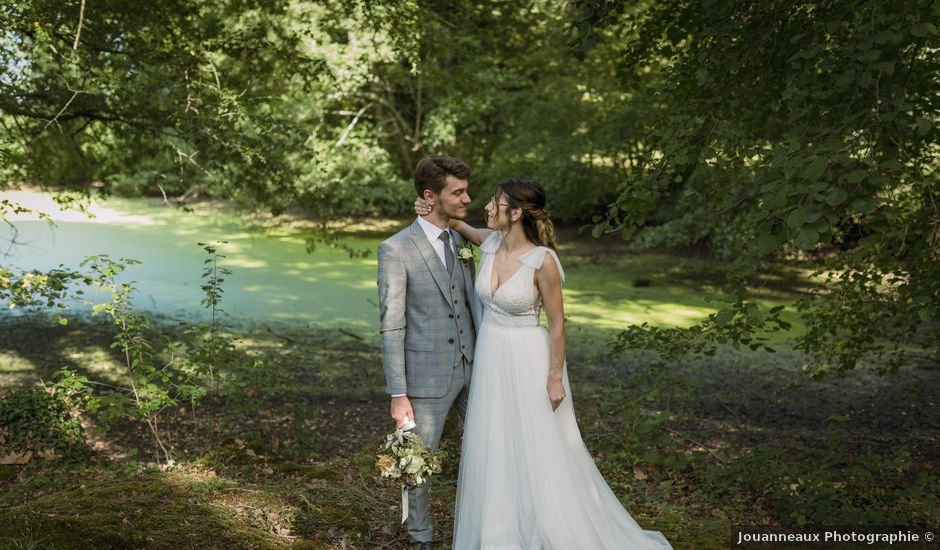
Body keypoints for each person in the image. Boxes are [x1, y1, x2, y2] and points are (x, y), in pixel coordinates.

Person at [414, 180, 672, 549]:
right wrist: (427, 209)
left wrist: (555, 378)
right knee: (496, 442)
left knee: (540, 444)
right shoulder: (490, 243)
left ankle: (548, 523)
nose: (487, 207)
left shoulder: (543, 260)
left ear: (516, 212)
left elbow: (557, 324)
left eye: (496, 203)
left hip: (528, 359)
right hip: (493, 357)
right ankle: (498, 532)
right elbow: (455, 224)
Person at [377, 155, 480, 550]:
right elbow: (392, 325)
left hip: (474, 369)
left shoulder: (459, 241)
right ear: (430, 196)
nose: (467, 198)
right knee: (418, 464)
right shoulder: (396, 249)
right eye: (458, 192)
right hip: (425, 376)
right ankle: (419, 538)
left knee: (489, 449)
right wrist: (397, 393)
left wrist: (455, 222)